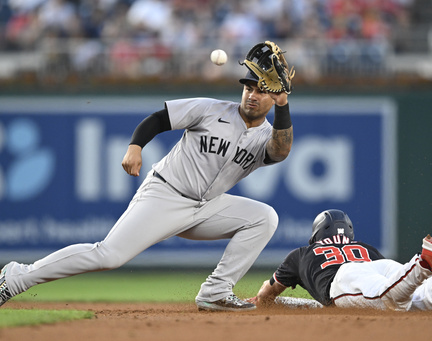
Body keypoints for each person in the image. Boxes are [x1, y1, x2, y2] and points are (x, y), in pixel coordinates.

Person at [0, 44, 294, 312]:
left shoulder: (268, 137)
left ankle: (216, 291)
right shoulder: (210, 109)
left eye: (261, 90)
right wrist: (135, 147)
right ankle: (18, 276)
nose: (252, 95)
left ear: (273, 96)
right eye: (248, 88)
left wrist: (283, 104)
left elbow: (280, 152)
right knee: (108, 255)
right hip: (165, 194)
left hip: (206, 207)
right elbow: (159, 118)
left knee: (264, 217)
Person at [249, 197, 432, 311]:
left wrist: (259, 300)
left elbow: (267, 295)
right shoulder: (363, 246)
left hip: (343, 279)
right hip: (381, 265)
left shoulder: (302, 253)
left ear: (316, 234)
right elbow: (380, 272)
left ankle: (424, 262)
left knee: (392, 301)